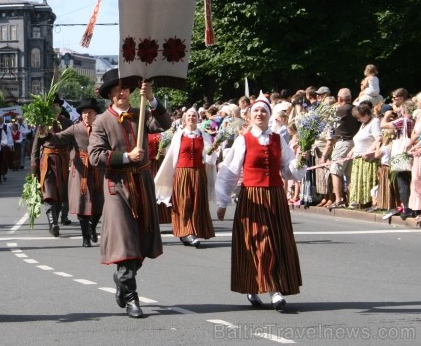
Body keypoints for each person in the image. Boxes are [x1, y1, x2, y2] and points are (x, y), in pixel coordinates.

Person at [87, 69, 171, 319]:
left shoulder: (140, 113)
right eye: (116, 90)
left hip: (142, 183)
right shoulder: (101, 121)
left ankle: (122, 278)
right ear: (110, 96)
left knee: (142, 241)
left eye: (125, 89)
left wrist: (153, 98)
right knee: (125, 241)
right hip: (117, 186)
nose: (122, 93)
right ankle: (132, 297)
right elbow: (94, 156)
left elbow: (164, 125)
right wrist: (125, 157)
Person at [215, 92, 304, 312]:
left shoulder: (278, 139)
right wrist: (222, 201)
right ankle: (253, 287)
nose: (260, 113)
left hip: (274, 196)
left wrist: (299, 162)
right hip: (252, 198)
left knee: (275, 243)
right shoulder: (243, 140)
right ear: (249, 116)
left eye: (264, 110)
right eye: (256, 110)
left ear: (269, 115)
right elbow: (229, 172)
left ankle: (275, 289)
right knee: (255, 243)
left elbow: (288, 169)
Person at [38, 98, 105, 247]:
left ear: (95, 114)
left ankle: (92, 227)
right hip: (80, 170)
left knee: (99, 204)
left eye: (90, 112)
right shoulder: (75, 128)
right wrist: (45, 134)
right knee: (82, 203)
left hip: (98, 169)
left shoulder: (102, 127)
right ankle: (86, 237)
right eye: (84, 113)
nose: (86, 115)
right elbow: (58, 137)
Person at [154, 108, 216, 248]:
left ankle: (193, 231)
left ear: (198, 118)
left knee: (196, 203)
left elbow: (208, 155)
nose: (191, 118)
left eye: (194, 115)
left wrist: (211, 153)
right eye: (189, 115)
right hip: (182, 173)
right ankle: (185, 232)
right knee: (183, 202)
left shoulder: (203, 135)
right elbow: (171, 155)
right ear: (184, 118)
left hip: (199, 173)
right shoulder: (179, 135)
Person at [30, 96, 72, 237]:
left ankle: (57, 217)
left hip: (63, 161)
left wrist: (72, 162)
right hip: (47, 161)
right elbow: (36, 147)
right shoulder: (43, 124)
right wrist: (34, 168)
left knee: (60, 195)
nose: (54, 108)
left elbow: (72, 145)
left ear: (60, 107)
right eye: (52, 106)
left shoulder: (68, 123)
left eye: (57, 105)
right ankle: (53, 223)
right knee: (48, 194)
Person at [320, 88, 359, 209]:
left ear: (339, 99)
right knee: (350, 173)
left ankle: (339, 199)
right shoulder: (355, 109)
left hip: (342, 143)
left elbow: (331, 136)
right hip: (355, 143)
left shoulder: (338, 110)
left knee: (335, 171)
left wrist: (324, 156)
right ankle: (352, 200)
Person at [346, 103, 382, 209]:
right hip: (358, 158)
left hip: (368, 158)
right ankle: (358, 200)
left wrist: (369, 151)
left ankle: (368, 201)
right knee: (357, 179)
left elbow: (378, 138)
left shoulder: (374, 122)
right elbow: (359, 140)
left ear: (366, 114)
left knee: (366, 179)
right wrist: (352, 150)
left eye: (359, 117)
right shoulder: (363, 124)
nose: (358, 120)